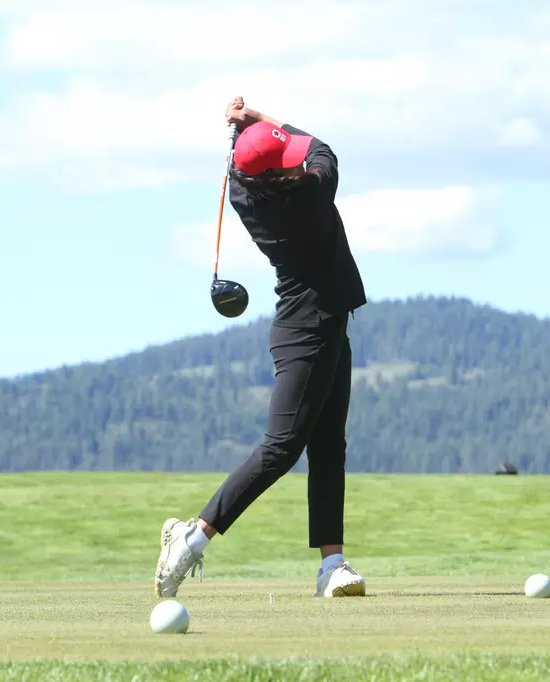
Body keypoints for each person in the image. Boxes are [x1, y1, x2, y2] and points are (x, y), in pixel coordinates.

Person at [154, 97, 369, 599]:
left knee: (328, 446)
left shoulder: (246, 192)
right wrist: (262, 120)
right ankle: (191, 538)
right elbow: (321, 149)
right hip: (308, 329)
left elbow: (252, 161)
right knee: (281, 448)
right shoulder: (312, 191)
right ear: (281, 171)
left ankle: (331, 566)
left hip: (322, 324)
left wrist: (246, 132)